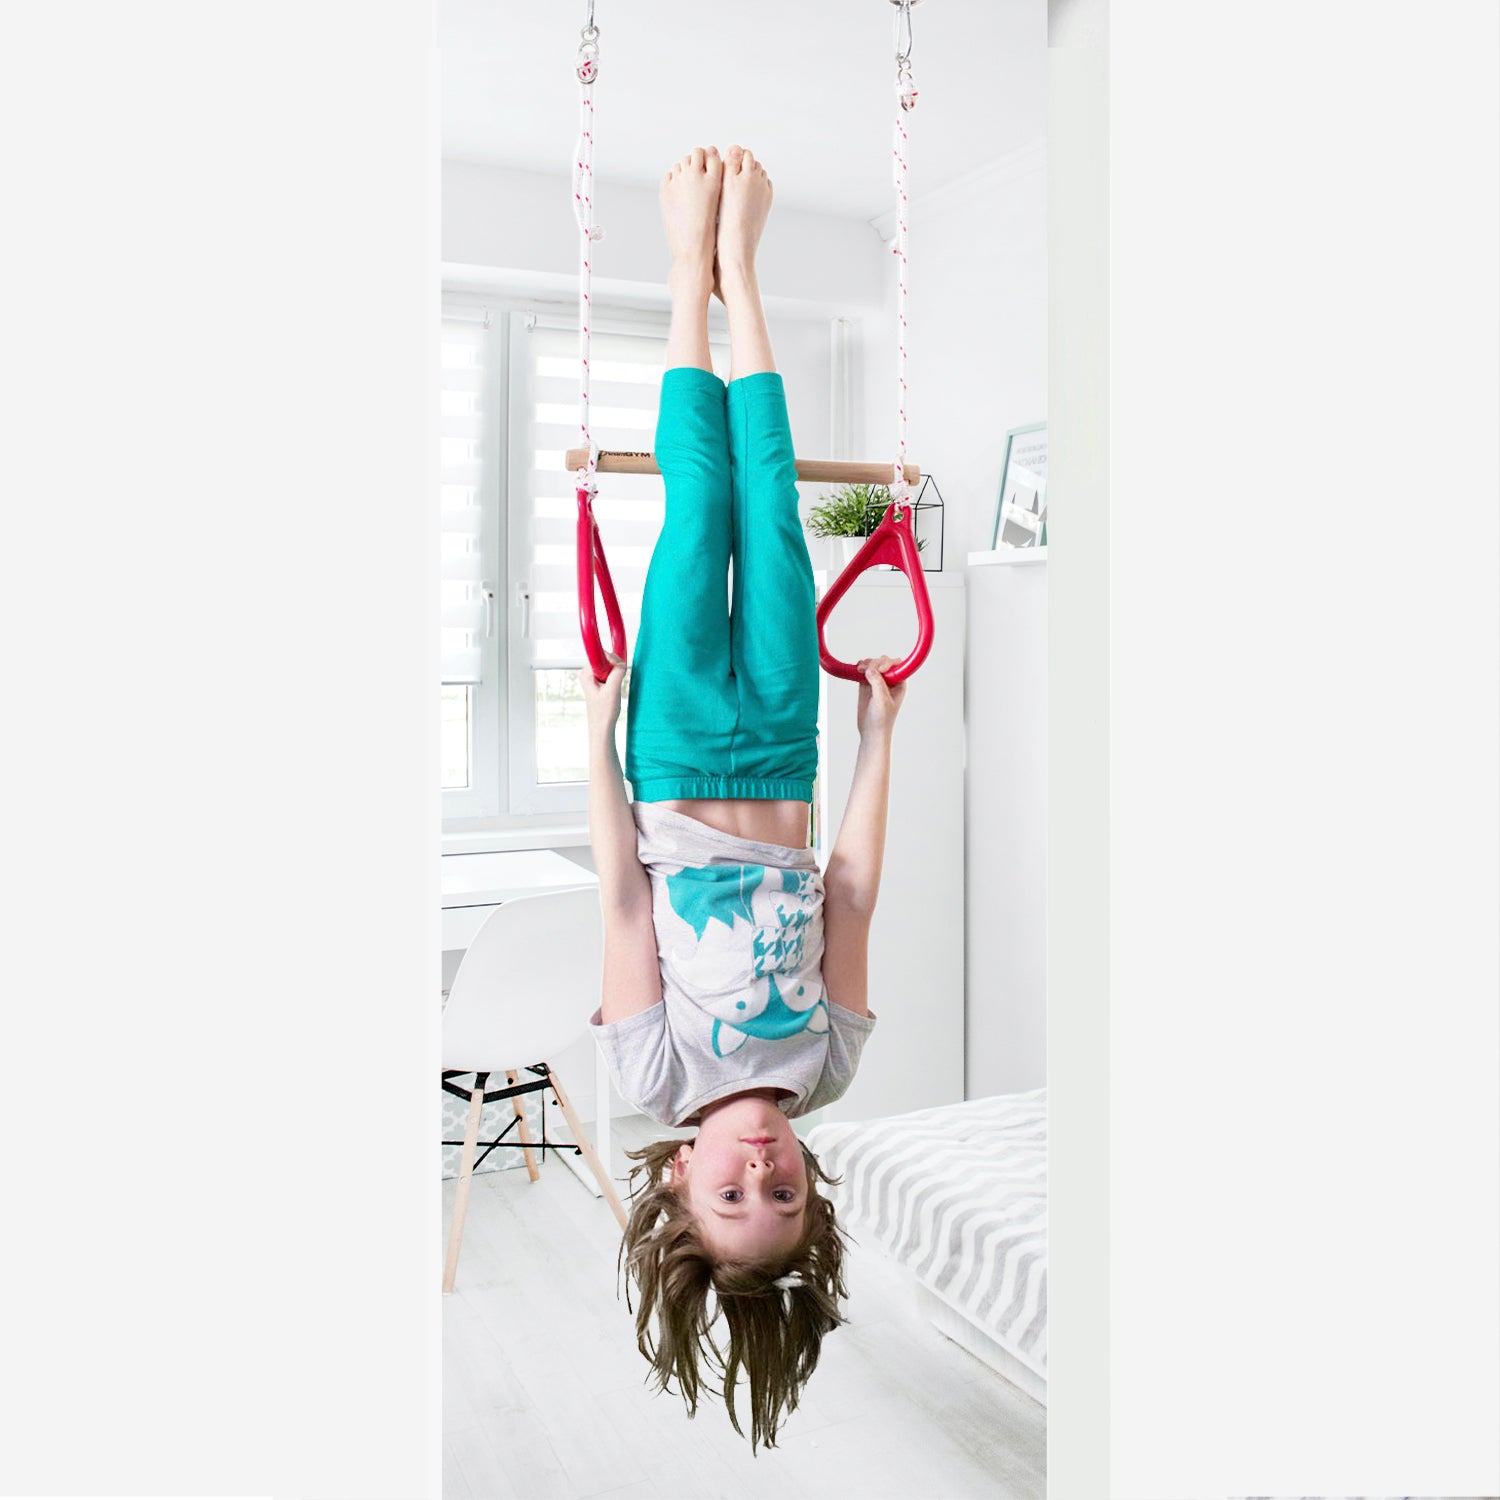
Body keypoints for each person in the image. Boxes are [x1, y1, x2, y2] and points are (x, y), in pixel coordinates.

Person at [582, 144, 906, 1452]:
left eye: (732, 1197)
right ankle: (741, 276)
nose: (759, 1168)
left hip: (666, 755)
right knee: (770, 510)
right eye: (785, 1192)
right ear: (812, 1182)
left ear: (680, 1182)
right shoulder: (826, 1062)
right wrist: (877, 736)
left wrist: (598, 742)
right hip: (780, 752)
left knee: (699, 499)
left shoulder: (654, 1072)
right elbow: (858, 887)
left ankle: (681, 278)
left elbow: (618, 892)